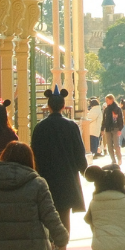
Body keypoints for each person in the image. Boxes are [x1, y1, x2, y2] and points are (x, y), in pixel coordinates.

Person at [30, 87, 88, 235]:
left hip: (46, 173)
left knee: (47, 208)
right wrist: (84, 169)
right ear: (63, 106)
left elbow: (34, 152)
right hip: (66, 174)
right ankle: (63, 239)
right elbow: (79, 150)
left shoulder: (40, 127)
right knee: (64, 210)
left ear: (48, 106)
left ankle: (50, 239)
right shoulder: (71, 126)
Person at [99, 94, 124, 165]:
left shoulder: (117, 109)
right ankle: (113, 160)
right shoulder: (106, 109)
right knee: (109, 146)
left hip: (115, 128)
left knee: (116, 145)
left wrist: (120, 129)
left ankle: (119, 158)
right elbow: (104, 120)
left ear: (112, 100)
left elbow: (120, 119)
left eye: (107, 100)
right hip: (107, 128)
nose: (106, 101)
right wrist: (102, 129)